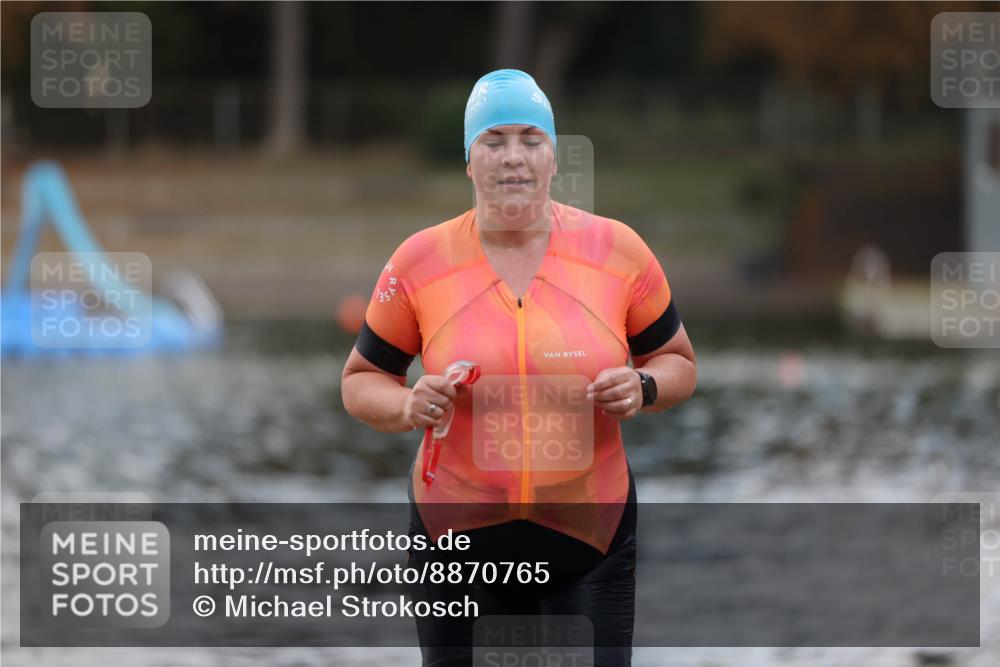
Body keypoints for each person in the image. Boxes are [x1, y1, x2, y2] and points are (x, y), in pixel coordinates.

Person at [341, 69, 697, 667]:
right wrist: (406, 405)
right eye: (493, 141)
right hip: (454, 548)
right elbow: (358, 381)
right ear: (469, 161)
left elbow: (679, 362)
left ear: (554, 158)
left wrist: (644, 386)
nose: (514, 158)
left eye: (531, 140)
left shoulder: (618, 251)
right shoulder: (420, 260)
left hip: (591, 544)